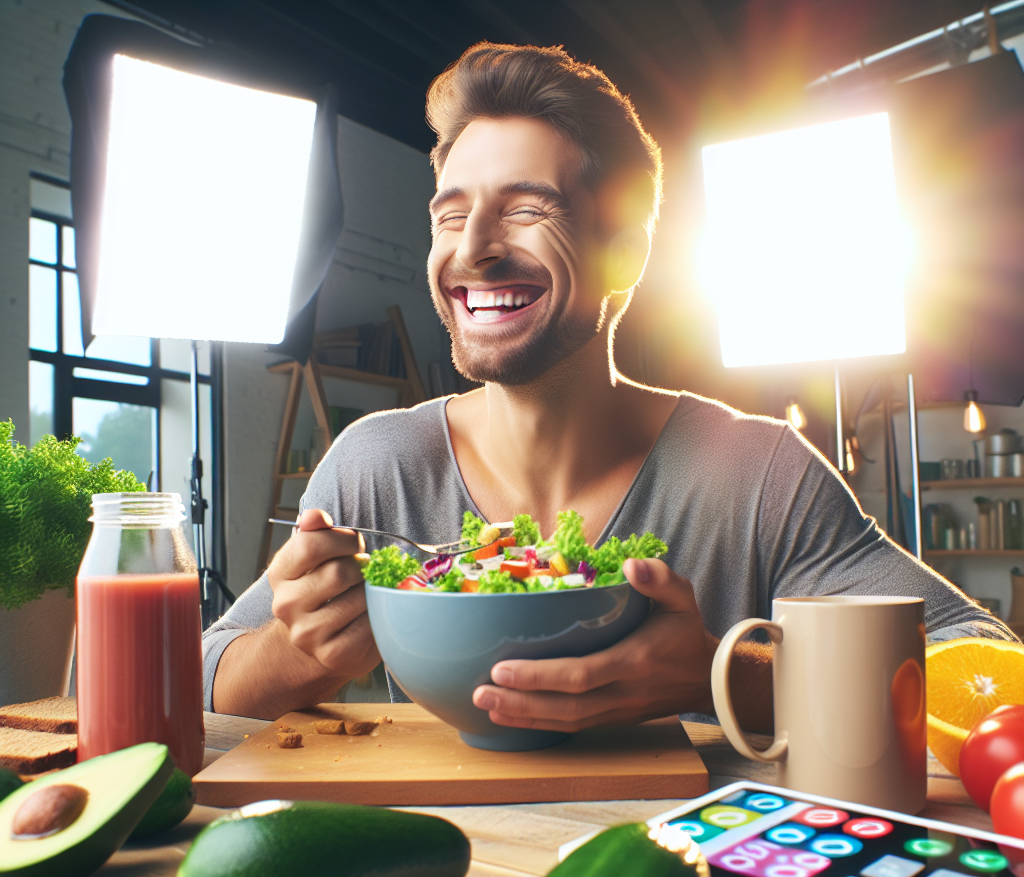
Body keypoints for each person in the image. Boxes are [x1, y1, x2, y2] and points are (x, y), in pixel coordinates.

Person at [205, 42, 1013, 725]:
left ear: (624, 252)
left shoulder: (758, 474)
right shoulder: (378, 464)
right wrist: (295, 653)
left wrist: (726, 678)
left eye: (526, 208)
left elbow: (986, 672)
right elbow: (209, 676)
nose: (475, 248)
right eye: (451, 216)